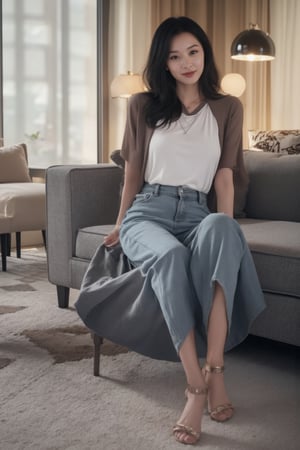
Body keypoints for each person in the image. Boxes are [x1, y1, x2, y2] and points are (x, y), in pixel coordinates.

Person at [77, 16, 265, 446]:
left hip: (199, 212)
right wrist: (122, 223)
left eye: (193, 52)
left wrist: (227, 231)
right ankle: (196, 385)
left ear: (205, 53)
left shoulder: (227, 108)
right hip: (150, 210)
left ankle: (216, 368)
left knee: (222, 229)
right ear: (163, 63)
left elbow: (224, 177)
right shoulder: (143, 105)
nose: (186, 63)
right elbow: (133, 174)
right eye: (174, 56)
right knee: (170, 257)